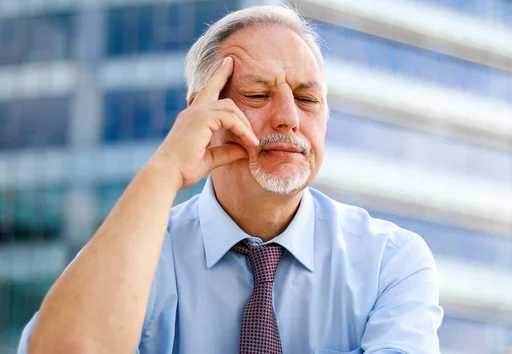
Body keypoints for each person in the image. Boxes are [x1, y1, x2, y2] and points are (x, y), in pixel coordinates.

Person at [19, 5, 443, 354]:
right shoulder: (142, 254)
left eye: (308, 98)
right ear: (201, 114)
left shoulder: (391, 260)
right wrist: (166, 169)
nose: (289, 118)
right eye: (258, 94)